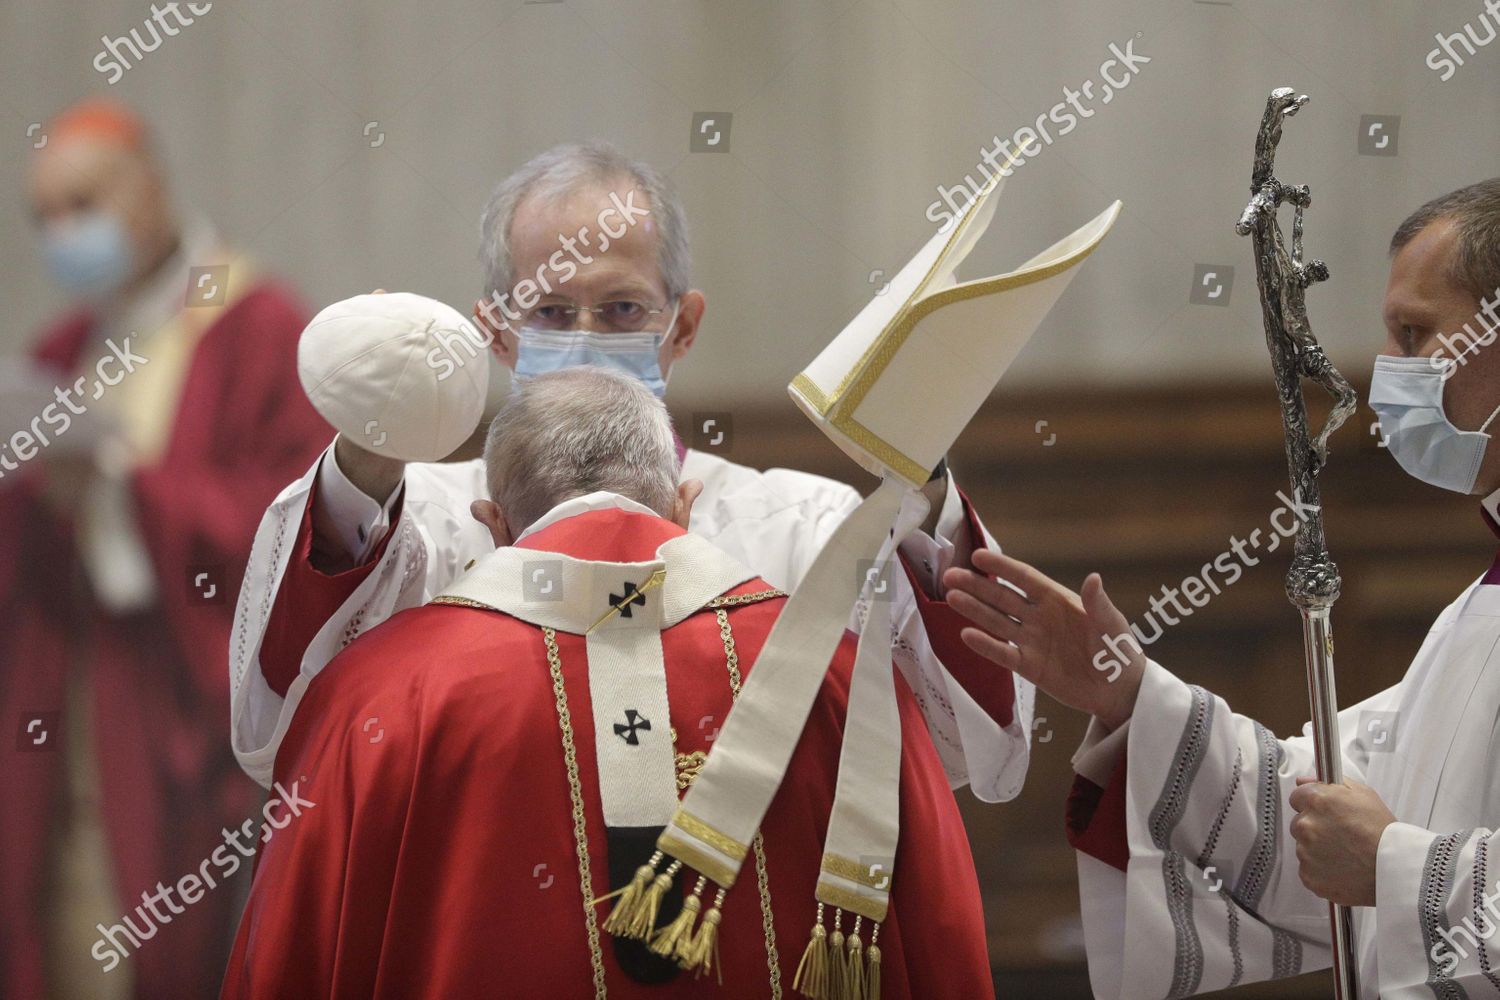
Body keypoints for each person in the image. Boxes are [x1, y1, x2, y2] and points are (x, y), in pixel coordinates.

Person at [229, 141, 1033, 808]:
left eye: (620, 310)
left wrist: (918, 480)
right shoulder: (424, 517)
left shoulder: (801, 523)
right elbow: (286, 728)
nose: (583, 336)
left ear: (681, 328)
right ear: (498, 333)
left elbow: (964, 745)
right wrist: (373, 441)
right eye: (548, 312)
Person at [221, 366, 992, 999]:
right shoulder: (840, 675)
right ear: (685, 508)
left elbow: (293, 955)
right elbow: (941, 935)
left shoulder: (377, 695)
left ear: (493, 522)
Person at [942, 178, 1500, 998]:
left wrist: (1392, 864)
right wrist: (1130, 694)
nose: (1391, 379)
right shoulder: (1477, 609)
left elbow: (1375, 842)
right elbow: (1324, 802)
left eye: (1417, 336)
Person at [0, 98, 328, 1000]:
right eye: (47, 217)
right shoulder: (65, 349)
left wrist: (125, 494)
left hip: (175, 710)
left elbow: (293, 520)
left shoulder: (258, 325)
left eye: (85, 205)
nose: (67, 234)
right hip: (65, 705)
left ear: (150, 189)